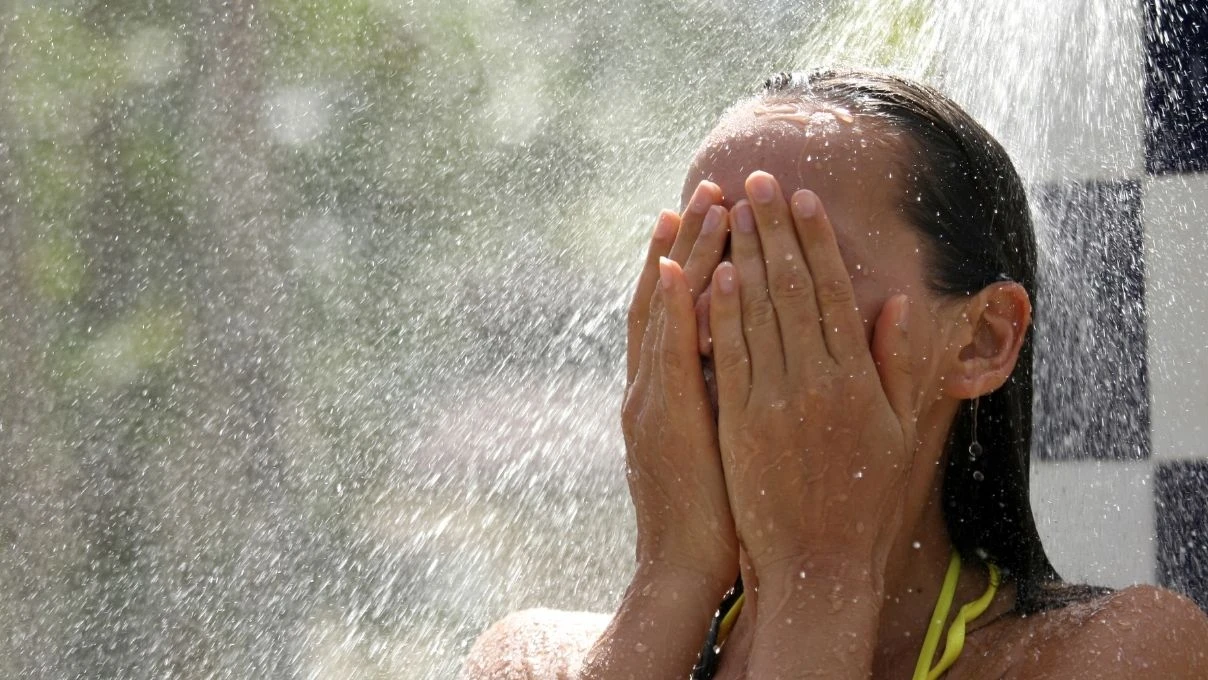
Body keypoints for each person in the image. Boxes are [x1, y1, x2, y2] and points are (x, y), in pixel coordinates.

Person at [459, 68, 1208, 679]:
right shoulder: (531, 660)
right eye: (705, 258)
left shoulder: (1116, 655)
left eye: (795, 270)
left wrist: (819, 575)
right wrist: (671, 571)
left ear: (982, 339)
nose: (729, 318)